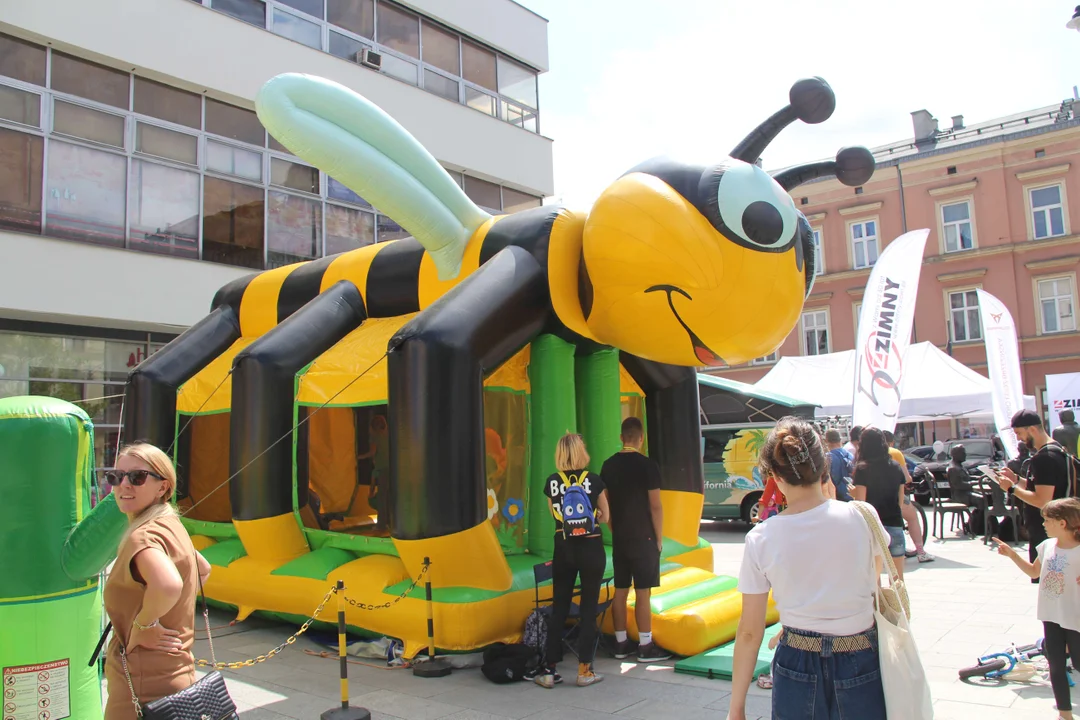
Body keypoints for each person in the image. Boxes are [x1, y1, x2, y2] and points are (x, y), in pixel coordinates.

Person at [727, 417, 887, 720]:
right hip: (860, 655)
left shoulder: (761, 537)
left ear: (774, 475)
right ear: (823, 465)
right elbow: (871, 583)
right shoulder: (864, 517)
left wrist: (736, 708)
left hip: (796, 658)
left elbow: (750, 631)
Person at [103, 443, 211, 720]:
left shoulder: (144, 535)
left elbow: (168, 584)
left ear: (163, 487)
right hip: (176, 671)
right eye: (116, 477)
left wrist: (144, 624)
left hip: (143, 682)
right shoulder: (171, 523)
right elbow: (202, 568)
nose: (124, 485)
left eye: (137, 477)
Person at [536, 433, 611, 689]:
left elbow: (556, 517)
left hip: (564, 548)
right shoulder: (593, 480)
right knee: (589, 607)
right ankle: (584, 670)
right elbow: (606, 516)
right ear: (581, 452)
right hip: (591, 547)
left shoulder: (552, 483)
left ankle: (549, 670)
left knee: (559, 606)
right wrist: (596, 513)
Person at [993, 498, 1080, 720]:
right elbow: (1034, 572)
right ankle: (1065, 714)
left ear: (1062, 523)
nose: (1043, 524)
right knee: (1056, 665)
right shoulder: (1046, 546)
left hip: (1075, 616)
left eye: (1047, 520)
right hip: (1051, 615)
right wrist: (1013, 555)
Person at [601, 417, 671, 663]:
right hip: (645, 538)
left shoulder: (608, 466)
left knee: (620, 591)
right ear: (641, 439)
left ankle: (620, 643)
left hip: (620, 538)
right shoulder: (648, 466)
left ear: (622, 437)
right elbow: (656, 506)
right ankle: (645, 645)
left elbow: (605, 505)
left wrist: (614, 529)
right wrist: (659, 539)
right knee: (643, 593)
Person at [996, 409, 1072, 583]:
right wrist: (1015, 479)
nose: (1019, 439)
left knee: (1051, 587)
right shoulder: (1056, 450)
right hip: (1055, 530)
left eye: (1019, 433)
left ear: (1031, 429)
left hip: (1047, 532)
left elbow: (1042, 500)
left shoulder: (1044, 458)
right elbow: (1039, 486)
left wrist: (1011, 489)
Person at [852, 427, 907, 580]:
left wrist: (853, 494)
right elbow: (900, 500)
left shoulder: (862, 469)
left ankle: (879, 605)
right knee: (897, 578)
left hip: (873, 526)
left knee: (875, 579)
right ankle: (898, 604)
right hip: (895, 522)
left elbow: (862, 503)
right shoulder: (896, 467)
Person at [885, 430, 933, 563]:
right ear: (892, 442)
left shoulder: (867, 454)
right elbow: (906, 478)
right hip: (894, 494)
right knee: (912, 518)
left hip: (872, 497)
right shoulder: (895, 453)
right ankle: (920, 552)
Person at [824, 429, 854, 502]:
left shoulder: (827, 458)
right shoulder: (850, 455)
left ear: (826, 441)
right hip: (851, 494)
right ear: (840, 440)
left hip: (837, 498)